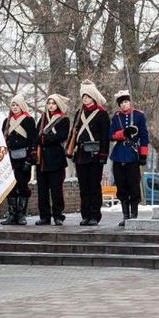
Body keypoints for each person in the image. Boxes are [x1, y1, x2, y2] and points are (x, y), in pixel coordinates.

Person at [70, 81, 109, 226]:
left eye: (87, 96)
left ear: (93, 97)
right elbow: (74, 133)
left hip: (95, 155)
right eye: (83, 96)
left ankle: (94, 215)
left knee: (94, 187)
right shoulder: (79, 113)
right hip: (81, 154)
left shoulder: (102, 114)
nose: (85, 98)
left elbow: (105, 136)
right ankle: (85, 215)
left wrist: (103, 155)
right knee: (84, 188)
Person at [109, 90, 149, 227]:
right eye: (121, 103)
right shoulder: (116, 117)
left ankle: (134, 215)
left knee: (133, 186)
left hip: (132, 155)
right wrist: (123, 133)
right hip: (119, 154)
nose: (124, 105)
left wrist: (143, 154)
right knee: (121, 186)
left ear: (130, 102)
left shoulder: (138, 116)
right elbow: (111, 135)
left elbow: (144, 136)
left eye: (126, 102)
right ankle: (125, 216)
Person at [0, 95, 38, 226]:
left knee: (22, 185)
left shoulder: (29, 120)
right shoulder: (6, 121)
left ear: (22, 106)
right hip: (10, 159)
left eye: (17, 105)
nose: (15, 107)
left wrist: (30, 159)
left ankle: (21, 215)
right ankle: (12, 215)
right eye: (13, 105)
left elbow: (33, 140)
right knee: (10, 186)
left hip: (24, 158)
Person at [36, 95, 71, 226]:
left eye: (53, 103)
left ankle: (58, 215)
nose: (50, 105)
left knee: (56, 190)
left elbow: (61, 136)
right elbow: (36, 136)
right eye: (49, 103)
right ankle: (44, 216)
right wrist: (42, 139)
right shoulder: (43, 119)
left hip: (56, 159)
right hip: (42, 160)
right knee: (42, 191)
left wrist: (44, 139)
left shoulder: (63, 119)